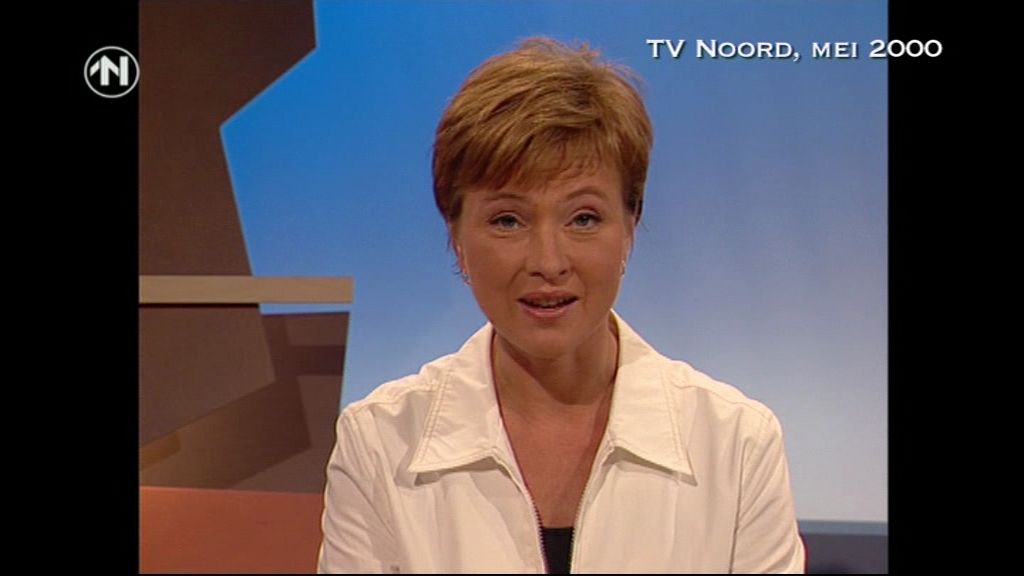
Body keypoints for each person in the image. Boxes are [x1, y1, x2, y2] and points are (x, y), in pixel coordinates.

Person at [317, 36, 805, 574]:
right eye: (508, 220)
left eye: (584, 218)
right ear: (456, 235)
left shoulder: (736, 445)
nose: (548, 262)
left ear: (630, 227)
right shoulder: (380, 444)